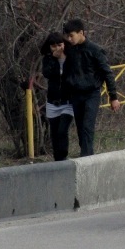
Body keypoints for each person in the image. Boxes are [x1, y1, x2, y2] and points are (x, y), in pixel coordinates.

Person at [62, 18, 120, 157]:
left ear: (81, 33)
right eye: (67, 36)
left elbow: (107, 73)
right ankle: (87, 154)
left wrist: (113, 97)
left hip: (91, 93)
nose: (69, 39)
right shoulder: (69, 49)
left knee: (88, 126)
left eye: (72, 36)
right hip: (76, 94)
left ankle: (86, 157)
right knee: (81, 127)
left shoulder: (95, 50)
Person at [40, 31, 73, 161]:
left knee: (62, 130)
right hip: (53, 101)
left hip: (68, 101)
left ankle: (64, 156)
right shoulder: (48, 59)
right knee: (54, 133)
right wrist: (54, 58)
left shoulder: (71, 56)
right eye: (53, 46)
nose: (57, 48)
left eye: (59, 44)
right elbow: (48, 74)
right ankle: (57, 160)